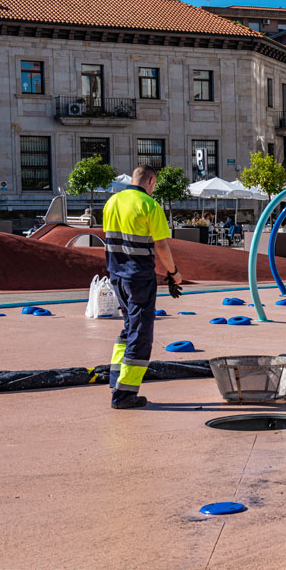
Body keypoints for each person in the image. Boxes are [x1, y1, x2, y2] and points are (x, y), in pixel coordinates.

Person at [103, 164, 182, 409]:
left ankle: (116, 380)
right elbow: (161, 246)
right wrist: (173, 273)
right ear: (151, 181)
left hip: (116, 275)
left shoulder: (112, 202)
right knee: (141, 333)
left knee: (128, 328)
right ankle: (124, 394)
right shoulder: (149, 205)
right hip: (139, 277)